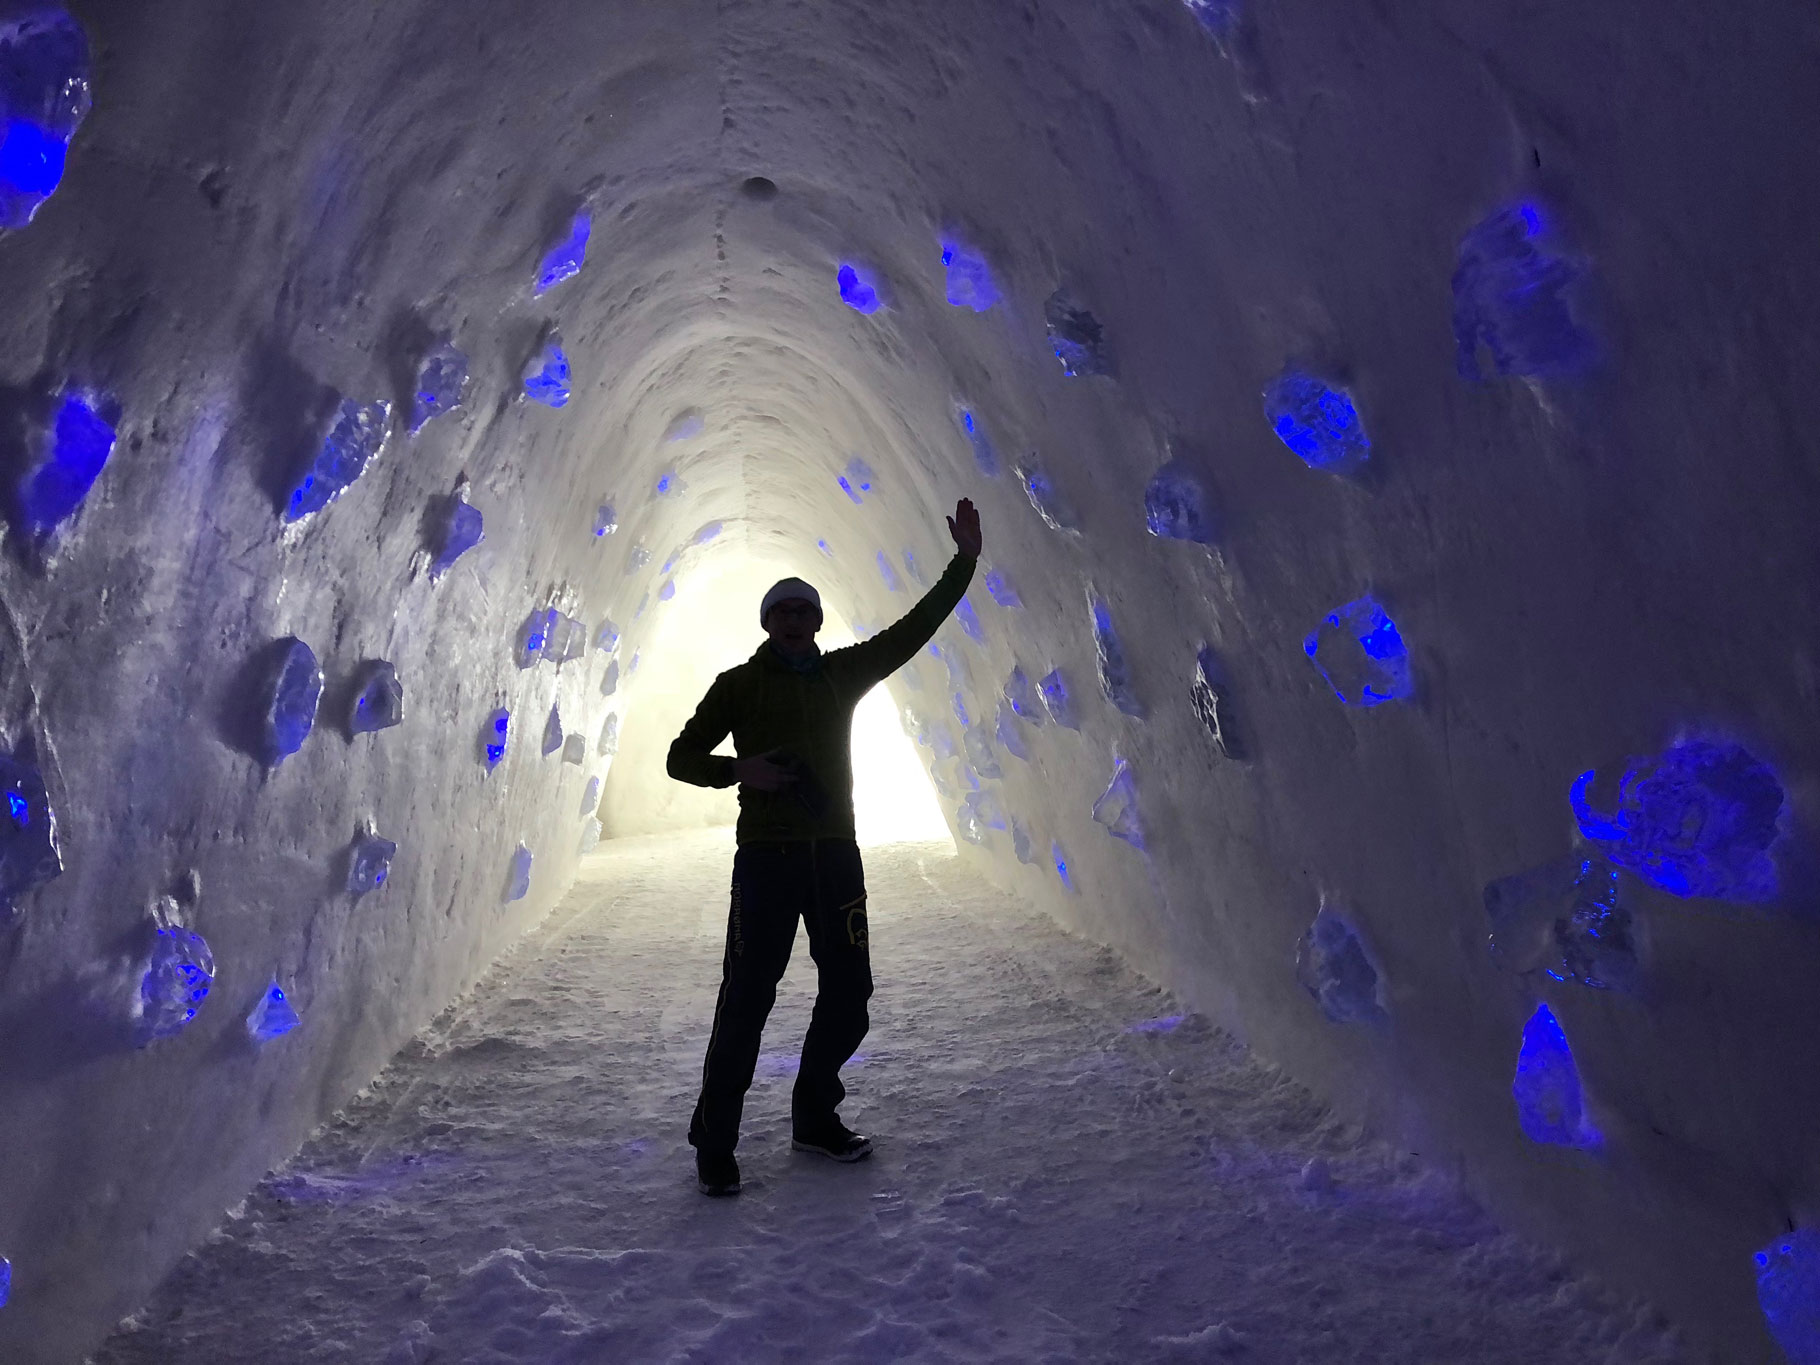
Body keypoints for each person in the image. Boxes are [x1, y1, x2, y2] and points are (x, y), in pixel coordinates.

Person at [667, 498, 983, 1196]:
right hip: (767, 860)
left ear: (816, 621)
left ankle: (815, 1114)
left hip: (836, 854)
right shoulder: (739, 687)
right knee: (747, 998)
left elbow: (911, 632)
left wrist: (964, 565)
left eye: (804, 611)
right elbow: (680, 757)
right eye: (782, 612)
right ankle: (714, 1142)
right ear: (767, 623)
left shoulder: (844, 674)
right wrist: (737, 769)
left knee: (851, 990)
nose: (794, 621)